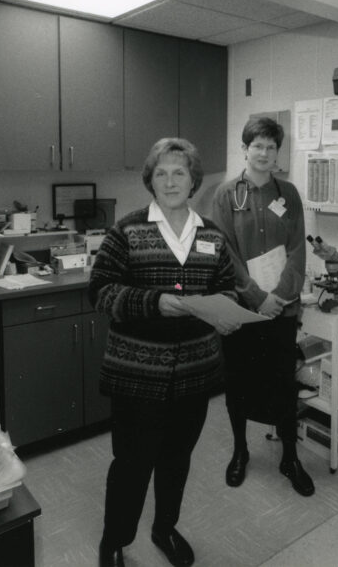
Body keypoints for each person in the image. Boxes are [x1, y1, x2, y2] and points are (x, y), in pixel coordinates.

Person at [89, 138, 240, 567]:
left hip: (195, 374)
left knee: (176, 460)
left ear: (194, 180)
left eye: (179, 172)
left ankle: (165, 527)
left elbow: (226, 287)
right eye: (161, 173)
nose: (171, 181)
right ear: (150, 181)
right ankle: (115, 541)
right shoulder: (128, 231)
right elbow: (99, 291)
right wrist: (155, 302)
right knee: (132, 465)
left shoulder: (211, 235)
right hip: (137, 376)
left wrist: (225, 312)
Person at [210, 116, 314, 497]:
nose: (265, 153)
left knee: (285, 386)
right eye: (258, 146)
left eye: (271, 147)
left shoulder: (288, 193)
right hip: (243, 312)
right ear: (245, 149)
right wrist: (257, 298)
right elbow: (225, 253)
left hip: (282, 311)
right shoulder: (225, 195)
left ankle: (290, 457)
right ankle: (240, 452)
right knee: (237, 384)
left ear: (277, 154)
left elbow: (298, 248)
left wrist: (281, 297)